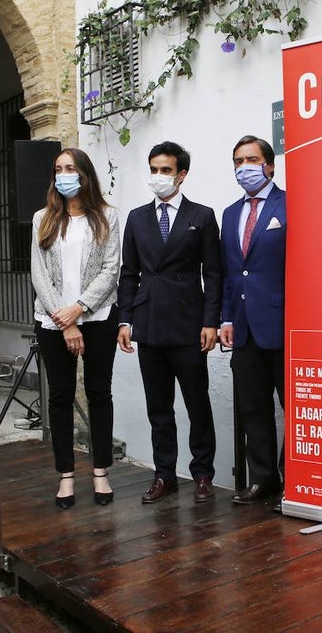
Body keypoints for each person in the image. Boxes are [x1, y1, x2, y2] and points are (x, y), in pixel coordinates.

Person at [117, 141, 222, 504]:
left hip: (189, 324)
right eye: (153, 169)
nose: (158, 176)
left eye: (165, 170)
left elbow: (214, 273)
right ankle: (165, 475)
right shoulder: (136, 217)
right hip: (148, 323)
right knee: (158, 407)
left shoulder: (202, 216)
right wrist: (125, 320)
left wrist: (211, 321)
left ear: (181, 174)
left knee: (197, 402)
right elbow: (128, 274)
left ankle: (203, 474)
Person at [30, 148, 121, 509]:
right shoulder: (43, 218)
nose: (63, 174)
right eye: (58, 169)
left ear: (84, 174)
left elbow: (110, 269)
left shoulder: (108, 217)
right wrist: (63, 318)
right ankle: (66, 475)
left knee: (100, 393)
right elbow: (38, 273)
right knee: (60, 396)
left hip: (97, 318)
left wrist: (80, 308)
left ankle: (101, 471)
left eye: (70, 168)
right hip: (53, 321)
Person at [219, 135, 286, 505]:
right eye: (237, 161)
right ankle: (263, 478)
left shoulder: (289, 204)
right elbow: (231, 272)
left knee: (293, 406)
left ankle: (293, 479)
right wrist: (226, 317)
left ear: (269, 165)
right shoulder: (230, 214)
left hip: (281, 324)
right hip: (243, 328)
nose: (244, 167)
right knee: (253, 407)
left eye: (251, 159)